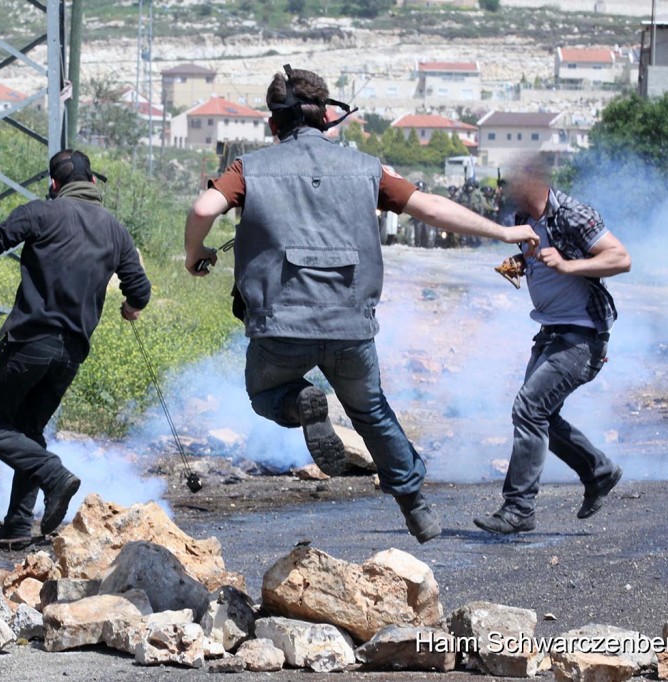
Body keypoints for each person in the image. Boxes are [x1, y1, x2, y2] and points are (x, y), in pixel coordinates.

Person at [184, 65, 538, 544]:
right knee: (371, 412)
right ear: (328, 116)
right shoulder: (369, 169)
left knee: (264, 394)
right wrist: (503, 231)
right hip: (350, 324)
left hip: (280, 326)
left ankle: (298, 403)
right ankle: (415, 505)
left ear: (273, 124)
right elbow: (430, 206)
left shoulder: (249, 168)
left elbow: (204, 209)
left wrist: (195, 255)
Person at [0, 149, 151, 543]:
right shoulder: (115, 230)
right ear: (92, 183)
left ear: (54, 185)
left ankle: (54, 476)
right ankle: (18, 525)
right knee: (28, 429)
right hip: (71, 354)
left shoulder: (42, 212)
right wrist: (130, 308)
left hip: (30, 342)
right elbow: (139, 290)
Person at [474, 160, 631, 535]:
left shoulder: (573, 214)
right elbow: (541, 259)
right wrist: (521, 265)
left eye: (511, 183)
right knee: (542, 416)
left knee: (528, 409)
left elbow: (620, 259)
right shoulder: (523, 218)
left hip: (582, 337)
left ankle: (518, 509)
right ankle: (599, 471)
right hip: (550, 333)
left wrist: (565, 265)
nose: (505, 191)